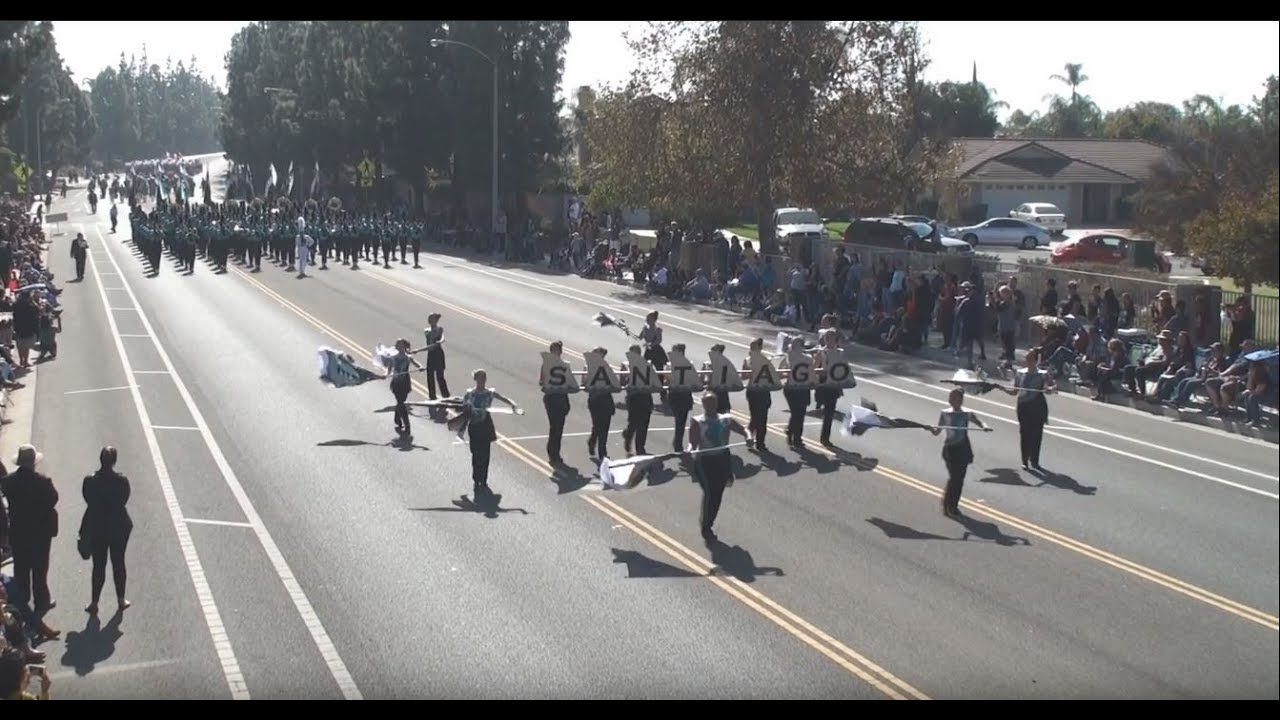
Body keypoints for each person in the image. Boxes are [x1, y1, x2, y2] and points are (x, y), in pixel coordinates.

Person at [0, 446, 59, 620]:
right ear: (33, 462)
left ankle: (22, 603)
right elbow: (53, 499)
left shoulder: (8, 482)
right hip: (40, 535)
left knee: (21, 570)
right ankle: (42, 602)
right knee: (40, 570)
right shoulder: (43, 482)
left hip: (18, 534)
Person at [687, 393, 747, 541]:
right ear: (703, 405)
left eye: (713, 403)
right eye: (707, 404)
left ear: (717, 403)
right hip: (705, 461)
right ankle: (706, 527)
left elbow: (743, 429)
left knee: (718, 494)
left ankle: (709, 521)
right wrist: (689, 451)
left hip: (722, 458)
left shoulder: (725, 419)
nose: (710, 406)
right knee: (710, 493)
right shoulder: (698, 421)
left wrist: (749, 437)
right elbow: (692, 443)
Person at [81, 447, 133, 615]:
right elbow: (124, 500)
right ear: (114, 461)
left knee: (98, 565)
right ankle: (121, 599)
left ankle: (94, 602)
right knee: (119, 562)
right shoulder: (122, 481)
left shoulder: (90, 481)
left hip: (97, 527)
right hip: (119, 527)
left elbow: (88, 499)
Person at [932, 388, 989, 518]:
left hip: (963, 449)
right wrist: (930, 429)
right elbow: (937, 431)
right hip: (950, 449)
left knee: (959, 479)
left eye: (954, 398)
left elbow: (980, 422)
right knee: (954, 478)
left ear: (961, 400)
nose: (951, 400)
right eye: (950, 397)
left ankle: (953, 505)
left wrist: (984, 426)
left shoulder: (967, 414)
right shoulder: (945, 413)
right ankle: (948, 505)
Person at [462, 370, 520, 492]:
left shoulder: (489, 393)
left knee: (485, 453)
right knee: (475, 453)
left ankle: (483, 479)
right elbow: (462, 406)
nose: (481, 381)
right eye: (479, 378)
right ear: (475, 379)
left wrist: (512, 404)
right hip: (474, 426)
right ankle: (476, 477)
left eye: (483, 378)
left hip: (485, 425)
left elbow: (503, 398)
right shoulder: (470, 394)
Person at [1002, 347, 1055, 470]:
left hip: (1037, 406)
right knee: (1024, 433)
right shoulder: (1020, 373)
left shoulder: (1043, 374)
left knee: (1037, 434)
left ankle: (1035, 460)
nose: (1027, 359)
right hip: (1024, 406)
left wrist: (1049, 389)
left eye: (1030, 358)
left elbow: (1052, 386)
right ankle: (1024, 460)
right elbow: (1015, 391)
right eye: (1027, 357)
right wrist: (1001, 388)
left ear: (1035, 360)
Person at [540, 341, 571, 465]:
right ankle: (553, 452)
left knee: (558, 427)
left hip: (561, 397)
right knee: (555, 426)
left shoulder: (563, 365)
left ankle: (554, 451)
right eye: (557, 350)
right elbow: (542, 381)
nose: (558, 352)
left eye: (559, 350)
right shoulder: (548, 365)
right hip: (553, 398)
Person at [622, 344, 654, 456]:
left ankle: (640, 447)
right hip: (634, 397)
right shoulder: (626, 365)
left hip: (645, 396)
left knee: (644, 424)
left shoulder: (647, 365)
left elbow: (653, 379)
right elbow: (622, 382)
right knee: (633, 422)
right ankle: (628, 436)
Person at [386, 339, 423, 436]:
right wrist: (386, 375)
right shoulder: (393, 358)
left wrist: (420, 367)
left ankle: (397, 418)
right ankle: (407, 425)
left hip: (405, 382)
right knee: (401, 403)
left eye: (400, 344)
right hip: (396, 382)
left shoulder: (408, 358)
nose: (397, 346)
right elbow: (389, 370)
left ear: (404, 346)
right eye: (397, 344)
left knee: (401, 402)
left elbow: (417, 364)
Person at [586, 348, 616, 459]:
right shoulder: (588, 367)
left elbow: (614, 383)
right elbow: (585, 384)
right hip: (595, 399)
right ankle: (593, 441)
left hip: (606, 398)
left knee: (605, 426)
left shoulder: (607, 368)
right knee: (598, 425)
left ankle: (602, 451)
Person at [414, 313, 450, 400]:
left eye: (432, 318)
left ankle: (445, 395)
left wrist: (440, 341)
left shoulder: (440, 329)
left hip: (438, 353)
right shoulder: (427, 331)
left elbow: (442, 338)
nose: (430, 320)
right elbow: (430, 345)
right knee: (430, 375)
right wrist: (418, 350)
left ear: (436, 320)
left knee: (440, 376)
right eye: (429, 318)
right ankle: (432, 396)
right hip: (431, 353)